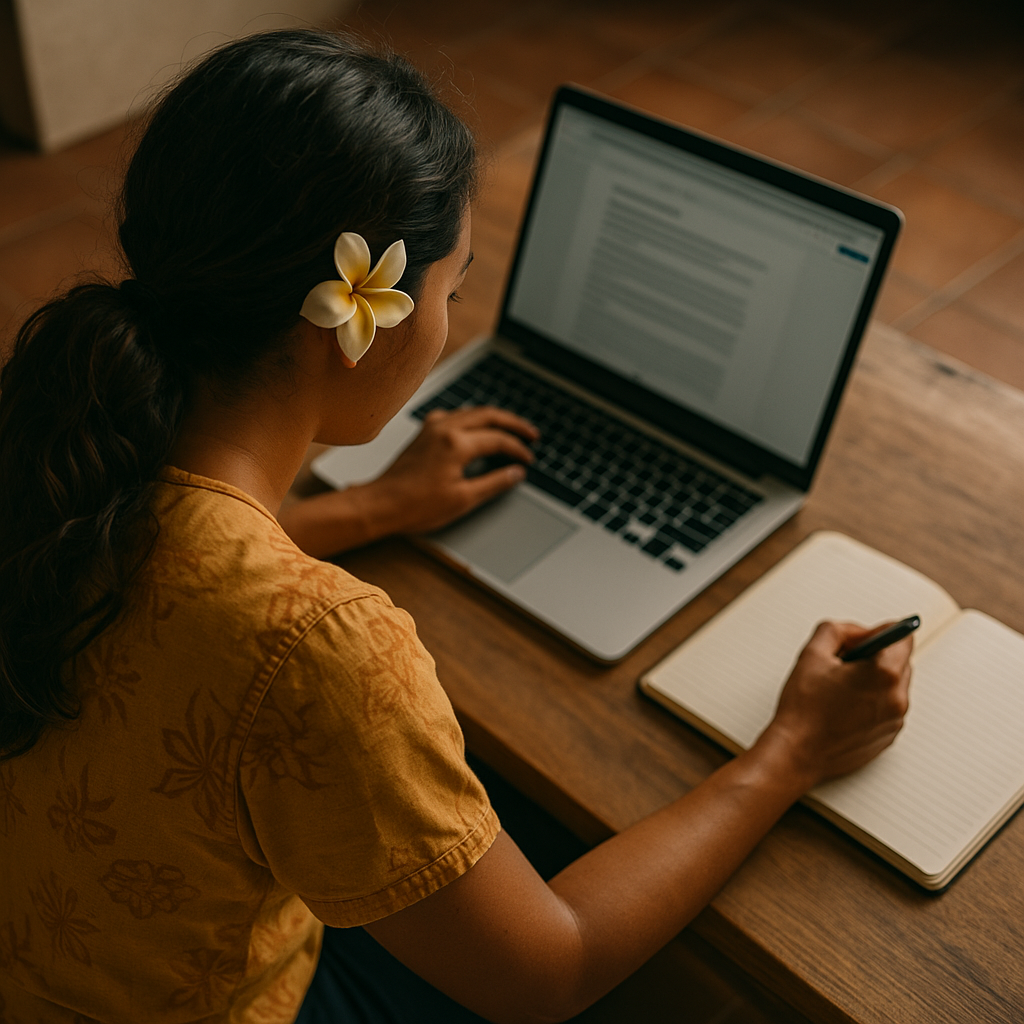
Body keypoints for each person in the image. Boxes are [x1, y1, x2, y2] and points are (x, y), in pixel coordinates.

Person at [0, 28, 912, 1024]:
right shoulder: (320, 648)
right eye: (452, 291)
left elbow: (178, 583)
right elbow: (545, 972)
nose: (450, 323)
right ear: (361, 321)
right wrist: (791, 750)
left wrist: (371, 505)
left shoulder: (55, 444)